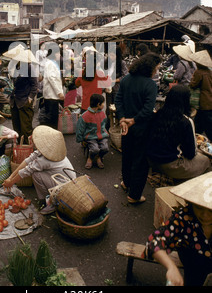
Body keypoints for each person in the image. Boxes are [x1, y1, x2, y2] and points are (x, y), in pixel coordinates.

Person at [143, 172, 212, 286]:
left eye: (210, 210)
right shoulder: (183, 218)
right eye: (199, 208)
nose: (205, 215)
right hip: (193, 263)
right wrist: (171, 267)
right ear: (191, 203)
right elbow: (153, 242)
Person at [115, 52, 161, 204]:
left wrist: (122, 119)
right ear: (150, 67)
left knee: (127, 155)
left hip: (125, 127)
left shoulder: (126, 79)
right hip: (141, 127)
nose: (157, 71)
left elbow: (118, 99)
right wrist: (133, 120)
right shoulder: (151, 85)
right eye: (157, 68)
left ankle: (126, 183)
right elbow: (148, 110)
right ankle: (134, 195)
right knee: (140, 161)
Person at [3, 125, 76, 215]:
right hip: (67, 179)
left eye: (33, 138)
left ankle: (51, 202)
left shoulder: (44, 159)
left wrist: (11, 182)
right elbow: (27, 160)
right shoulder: (48, 150)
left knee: (36, 175)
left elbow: (26, 171)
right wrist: (10, 177)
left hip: (65, 187)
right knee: (36, 171)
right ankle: (48, 198)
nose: (30, 138)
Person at [146, 84, 211, 180]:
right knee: (205, 160)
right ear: (186, 100)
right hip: (169, 165)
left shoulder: (158, 113)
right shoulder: (186, 121)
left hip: (150, 160)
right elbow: (190, 154)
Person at [76, 93, 109, 169]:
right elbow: (80, 129)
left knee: (105, 148)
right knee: (95, 149)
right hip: (90, 137)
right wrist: (81, 140)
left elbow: (104, 124)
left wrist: (105, 133)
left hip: (102, 136)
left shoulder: (102, 114)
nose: (104, 104)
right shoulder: (85, 115)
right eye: (103, 103)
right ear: (98, 104)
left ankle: (99, 157)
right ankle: (90, 158)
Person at [10, 60, 38, 143]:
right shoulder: (17, 67)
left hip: (24, 101)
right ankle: (20, 148)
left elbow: (34, 85)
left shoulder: (29, 67)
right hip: (15, 101)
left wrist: (30, 98)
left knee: (26, 129)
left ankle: (28, 149)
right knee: (16, 128)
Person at [189, 50, 212, 142]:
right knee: (200, 122)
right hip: (209, 99)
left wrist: (192, 78)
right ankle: (195, 137)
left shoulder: (199, 72)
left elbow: (193, 84)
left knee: (207, 124)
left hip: (203, 101)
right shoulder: (209, 72)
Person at [105, 46, 128, 129]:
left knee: (117, 107)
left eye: (113, 55)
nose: (111, 57)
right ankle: (109, 126)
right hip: (108, 89)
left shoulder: (122, 63)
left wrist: (114, 80)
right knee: (108, 108)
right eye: (109, 55)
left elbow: (125, 76)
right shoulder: (107, 62)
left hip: (117, 89)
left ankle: (119, 126)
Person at [41, 49, 64, 129]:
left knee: (53, 118)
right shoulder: (50, 63)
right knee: (52, 119)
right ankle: (51, 136)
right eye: (58, 53)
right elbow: (51, 78)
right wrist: (59, 92)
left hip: (52, 95)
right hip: (51, 95)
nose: (59, 55)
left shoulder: (52, 63)